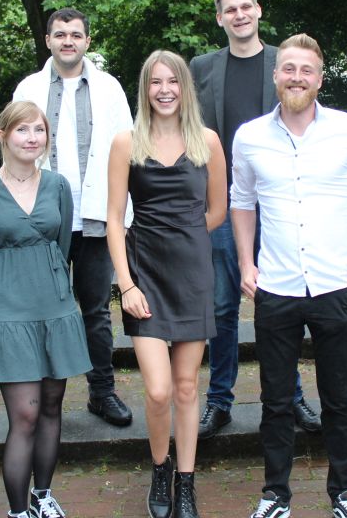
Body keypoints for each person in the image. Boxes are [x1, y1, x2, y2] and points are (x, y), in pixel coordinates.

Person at [232, 34, 347, 518]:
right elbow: (241, 200)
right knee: (275, 400)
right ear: (275, 75)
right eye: (288, 68)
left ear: (320, 80)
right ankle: (275, 495)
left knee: (338, 398)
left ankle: (344, 494)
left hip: (334, 287)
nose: (297, 77)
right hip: (275, 288)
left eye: (306, 70)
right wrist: (245, 263)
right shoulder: (249, 136)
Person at [189, 0, 322, 439]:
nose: (240, 15)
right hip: (225, 204)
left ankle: (292, 396)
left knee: (284, 304)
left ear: (259, 10)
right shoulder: (202, 68)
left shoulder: (284, 63)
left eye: (246, 6)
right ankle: (219, 400)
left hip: (280, 202)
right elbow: (193, 134)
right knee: (222, 306)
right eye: (230, 9)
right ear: (219, 18)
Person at [107, 50, 227, 518]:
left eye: (172, 81)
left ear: (184, 87)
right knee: (158, 391)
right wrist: (127, 284)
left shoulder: (207, 141)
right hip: (145, 277)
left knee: (186, 387)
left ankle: (187, 482)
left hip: (192, 276)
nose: (164, 90)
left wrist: (185, 236)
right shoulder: (126, 142)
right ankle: (161, 469)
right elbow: (114, 220)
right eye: (155, 82)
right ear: (145, 89)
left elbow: (217, 210)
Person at [0, 101, 92, 518]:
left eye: (38, 130)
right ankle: (18, 511)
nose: (31, 138)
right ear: (3, 136)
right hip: (7, 312)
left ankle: (43, 496)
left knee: (51, 407)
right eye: (22, 129)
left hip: (54, 308)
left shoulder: (58, 186)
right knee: (25, 414)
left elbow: (63, 247)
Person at [13, 7, 135, 428]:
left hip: (96, 218)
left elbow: (127, 149)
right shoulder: (28, 88)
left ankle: (102, 392)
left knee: (96, 312)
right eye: (60, 34)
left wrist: (125, 214)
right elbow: (13, 149)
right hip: (42, 220)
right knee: (42, 309)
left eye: (76, 34)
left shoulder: (109, 88)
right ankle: (41, 396)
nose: (68, 41)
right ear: (48, 40)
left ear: (87, 41)